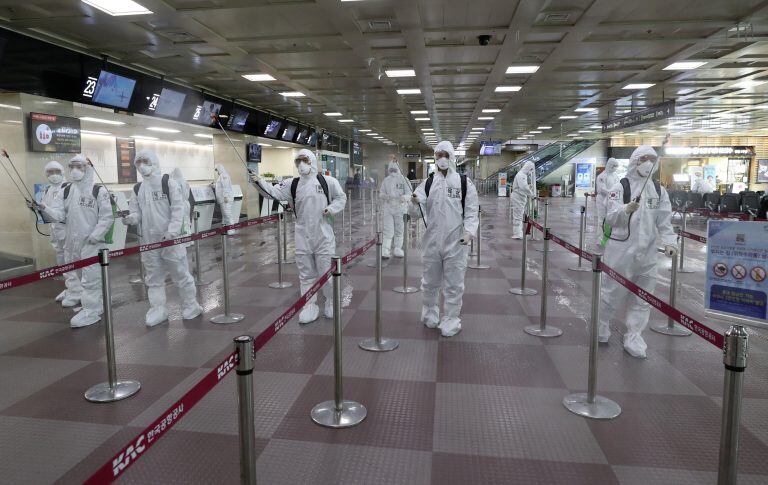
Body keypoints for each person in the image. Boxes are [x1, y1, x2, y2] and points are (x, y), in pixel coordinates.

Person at [249, 149, 347, 323]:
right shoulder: (292, 184)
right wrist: (258, 182)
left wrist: (331, 209)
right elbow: (272, 193)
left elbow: (341, 198)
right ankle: (309, 306)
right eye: (297, 161)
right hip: (302, 236)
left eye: (304, 160)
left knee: (326, 272)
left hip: (323, 236)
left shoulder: (327, 181)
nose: (300, 164)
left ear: (311, 161)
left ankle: (331, 302)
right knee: (306, 275)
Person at [598, 145, 678, 358]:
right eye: (644, 158)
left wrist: (670, 241)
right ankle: (601, 324)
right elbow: (610, 219)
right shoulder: (620, 187)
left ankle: (634, 336)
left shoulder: (659, 191)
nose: (648, 163)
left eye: (652, 159)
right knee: (611, 293)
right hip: (621, 251)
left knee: (643, 298)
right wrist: (625, 210)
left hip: (648, 254)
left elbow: (665, 220)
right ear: (635, 161)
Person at [121, 151, 202, 327]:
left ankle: (191, 305)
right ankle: (158, 309)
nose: (142, 165)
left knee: (180, 273)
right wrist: (131, 218)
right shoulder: (137, 189)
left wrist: (172, 232)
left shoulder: (168, 183)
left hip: (170, 240)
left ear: (154, 162)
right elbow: (136, 212)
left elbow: (178, 209)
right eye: (138, 162)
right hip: (149, 242)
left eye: (145, 161)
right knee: (153, 278)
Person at [411, 141, 479, 337]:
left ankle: (451, 318)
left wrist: (469, 232)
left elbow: (472, 212)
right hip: (432, 241)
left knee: (454, 283)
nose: (442, 159)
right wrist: (413, 202)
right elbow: (416, 213)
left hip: (456, 242)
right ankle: (429, 312)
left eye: (446, 155)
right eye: (439, 155)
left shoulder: (464, 183)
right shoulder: (428, 183)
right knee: (430, 282)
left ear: (452, 158)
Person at [37, 155, 114, 328]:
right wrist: (45, 208)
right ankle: (97, 303)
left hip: (91, 243)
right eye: (71, 166)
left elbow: (107, 217)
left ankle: (91, 311)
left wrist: (96, 235)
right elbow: (59, 215)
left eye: (79, 166)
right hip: (73, 243)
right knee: (80, 275)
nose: (75, 170)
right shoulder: (67, 190)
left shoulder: (98, 191)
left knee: (90, 278)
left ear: (88, 168)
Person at [39, 161, 76, 304]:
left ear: (62, 172)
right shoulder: (47, 190)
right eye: (50, 172)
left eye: (56, 171)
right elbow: (47, 209)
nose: (53, 175)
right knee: (61, 260)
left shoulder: (68, 188)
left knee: (71, 259)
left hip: (67, 229)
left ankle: (77, 291)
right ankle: (70, 288)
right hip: (55, 230)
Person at [378, 157, 411, 258]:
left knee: (399, 230)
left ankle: (398, 248)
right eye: (391, 170)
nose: (392, 172)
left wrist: (404, 198)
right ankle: (385, 250)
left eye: (394, 170)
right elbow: (381, 192)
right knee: (388, 230)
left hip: (400, 208)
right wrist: (384, 196)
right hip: (388, 207)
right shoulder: (386, 180)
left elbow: (410, 193)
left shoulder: (404, 180)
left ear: (398, 169)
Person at [510, 161, 536, 239]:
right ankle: (517, 234)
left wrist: (528, 187)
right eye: (531, 169)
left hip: (519, 198)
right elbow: (523, 187)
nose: (530, 172)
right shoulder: (521, 175)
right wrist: (531, 194)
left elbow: (523, 186)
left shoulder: (522, 175)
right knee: (518, 216)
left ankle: (518, 233)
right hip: (518, 198)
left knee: (518, 215)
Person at [171, 167, 194, 246]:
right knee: (187, 222)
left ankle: (185, 242)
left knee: (182, 223)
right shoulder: (185, 181)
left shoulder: (175, 182)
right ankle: (190, 239)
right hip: (187, 204)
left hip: (180, 204)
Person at [595, 158, 619, 225]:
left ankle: (608, 234)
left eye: (616, 166)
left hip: (612, 199)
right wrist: (613, 193)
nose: (615, 168)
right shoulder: (602, 176)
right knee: (602, 219)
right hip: (602, 200)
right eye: (614, 166)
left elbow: (618, 186)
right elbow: (602, 189)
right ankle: (601, 235)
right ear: (610, 165)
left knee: (611, 218)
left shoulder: (615, 176)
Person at [214, 164, 236, 232]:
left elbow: (225, 186)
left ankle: (231, 230)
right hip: (223, 199)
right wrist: (214, 185)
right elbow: (220, 186)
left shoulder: (224, 175)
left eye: (217, 170)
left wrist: (226, 196)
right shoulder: (222, 175)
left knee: (227, 215)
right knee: (225, 215)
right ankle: (227, 229)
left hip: (225, 199)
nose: (217, 172)